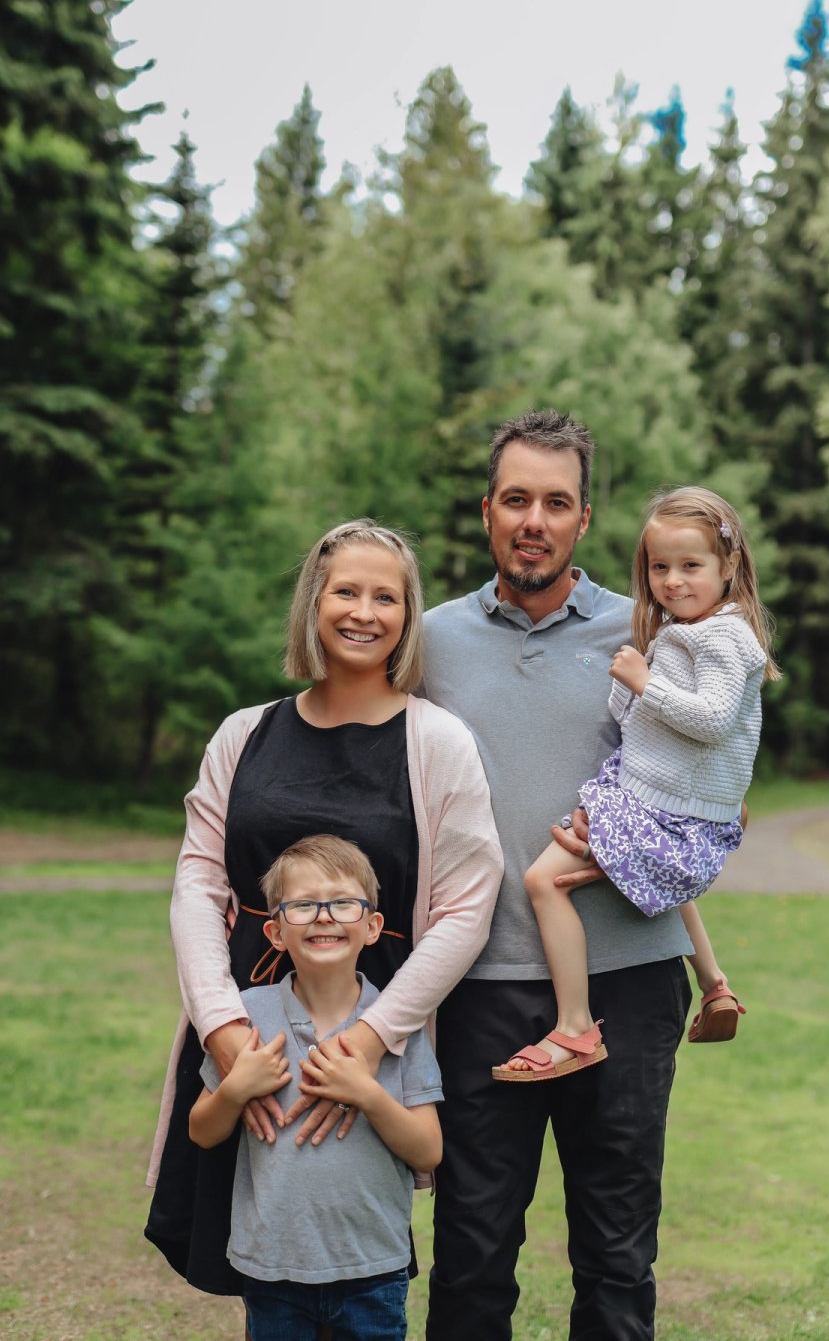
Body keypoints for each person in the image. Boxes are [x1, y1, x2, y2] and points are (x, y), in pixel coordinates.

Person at [145, 519, 503, 1303]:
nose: (364, 612)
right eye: (346, 590)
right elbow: (199, 885)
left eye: (388, 597)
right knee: (257, 1247)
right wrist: (226, 1033)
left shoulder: (437, 742)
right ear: (315, 601)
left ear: (409, 618)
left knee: (354, 1244)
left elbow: (467, 909)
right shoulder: (245, 734)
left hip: (373, 1022)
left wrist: (372, 1040)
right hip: (251, 1024)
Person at [421, 408, 696, 1340]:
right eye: (515, 499)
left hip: (628, 985)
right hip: (477, 987)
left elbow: (721, 774)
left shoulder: (655, 630)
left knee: (618, 1258)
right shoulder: (427, 642)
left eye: (556, 502)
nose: (533, 519)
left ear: (585, 519)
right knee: (469, 1255)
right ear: (487, 512)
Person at [495, 486, 779, 1082]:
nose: (672, 581)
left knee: (543, 880)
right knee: (664, 883)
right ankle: (715, 982)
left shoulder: (725, 637)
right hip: (660, 797)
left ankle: (573, 1026)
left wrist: (646, 682)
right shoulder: (684, 629)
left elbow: (711, 718)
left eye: (691, 566)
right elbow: (638, 722)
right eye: (659, 567)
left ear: (729, 566)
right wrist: (632, 689)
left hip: (656, 801)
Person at [190, 833, 442, 1340]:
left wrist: (368, 1093)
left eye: (342, 903)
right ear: (277, 931)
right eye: (303, 905)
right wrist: (236, 1089)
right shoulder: (248, 1016)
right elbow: (202, 1131)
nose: (324, 916)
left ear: (372, 927)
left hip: (373, 1268)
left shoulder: (395, 1024)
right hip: (271, 1268)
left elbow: (428, 1150)